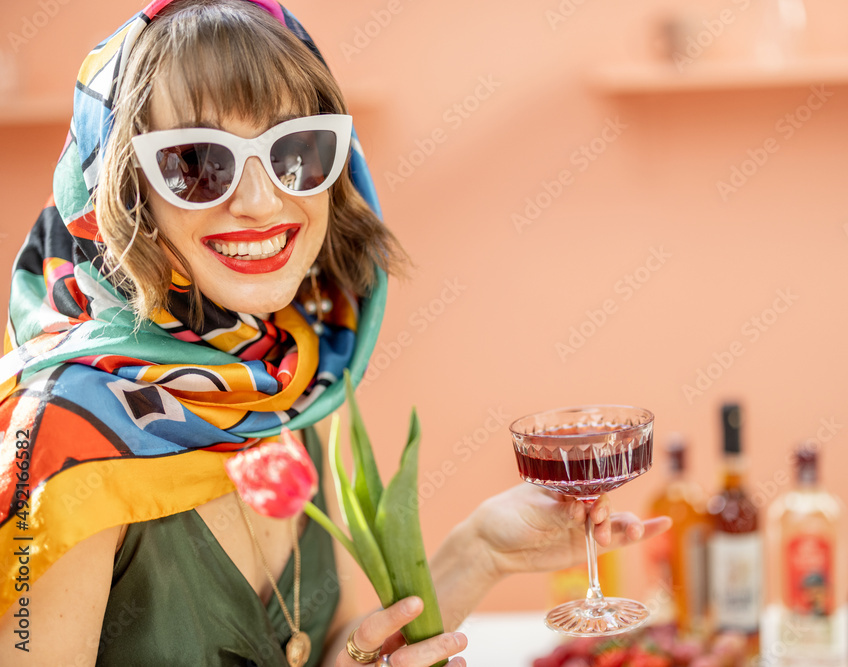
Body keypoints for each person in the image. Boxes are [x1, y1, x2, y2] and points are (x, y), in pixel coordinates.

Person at [0, 1, 668, 665]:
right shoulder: (60, 443)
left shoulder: (281, 385)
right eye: (197, 162)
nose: (261, 201)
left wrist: (480, 551)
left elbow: (338, 646)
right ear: (120, 193)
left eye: (296, 151)